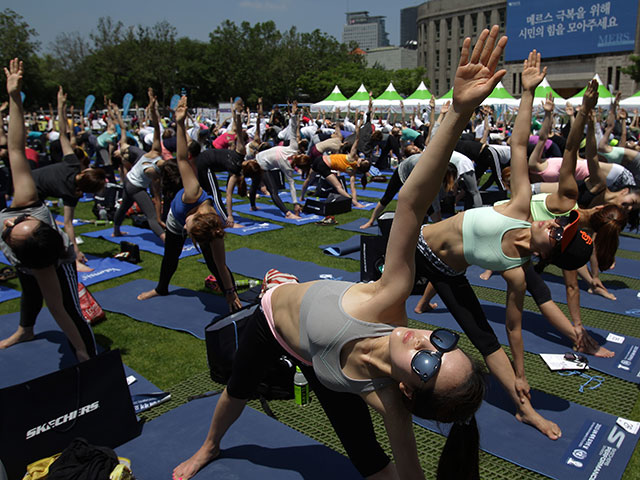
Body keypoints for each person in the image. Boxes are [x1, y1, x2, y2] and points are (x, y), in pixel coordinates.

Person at [172, 26, 509, 480]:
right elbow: (410, 202)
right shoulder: (389, 297)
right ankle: (210, 447)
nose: (425, 340)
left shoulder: (388, 398)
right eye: (443, 343)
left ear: (409, 393)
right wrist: (458, 112)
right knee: (237, 388)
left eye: (428, 363)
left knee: (369, 458)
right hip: (272, 319)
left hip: (320, 364)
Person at [414, 51, 598, 440]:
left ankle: (525, 411)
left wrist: (519, 374)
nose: (552, 224)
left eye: (556, 234)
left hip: (446, 272)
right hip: (412, 246)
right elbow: (517, 146)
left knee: (485, 338)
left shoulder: (516, 274)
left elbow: (512, 329)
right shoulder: (519, 207)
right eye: (559, 224)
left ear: (546, 255)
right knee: (380, 306)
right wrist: (527, 93)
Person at [0, 58, 96, 361]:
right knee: (29, 294)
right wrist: (15, 96)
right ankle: (25, 329)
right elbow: (16, 147)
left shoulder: (42, 266)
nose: (15, 221)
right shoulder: (27, 204)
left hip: (58, 259)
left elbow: (56, 310)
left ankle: (88, 349)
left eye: (15, 227)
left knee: (69, 307)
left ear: (14, 247)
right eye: (24, 221)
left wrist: (79, 351)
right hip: (41, 251)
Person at [137, 97, 240, 311]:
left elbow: (221, 265)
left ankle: (232, 299)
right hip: (174, 217)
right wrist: (180, 123)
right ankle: (161, 288)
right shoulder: (193, 192)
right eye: (190, 228)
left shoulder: (214, 229)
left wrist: (230, 294)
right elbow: (182, 159)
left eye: (189, 231)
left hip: (196, 224)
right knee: (170, 257)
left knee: (213, 262)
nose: (187, 228)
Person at [31, 87, 107, 273]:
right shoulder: (72, 191)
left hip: (31, 185)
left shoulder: (73, 166)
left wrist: (60, 107)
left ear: (84, 173)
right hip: (32, 190)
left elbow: (63, 135)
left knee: (47, 229)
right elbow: (67, 224)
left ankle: (70, 258)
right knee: (45, 230)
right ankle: (69, 260)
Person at [112, 89, 166, 241]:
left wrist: (153, 107)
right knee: (151, 216)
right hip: (134, 185)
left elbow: (156, 126)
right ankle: (165, 240)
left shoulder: (155, 151)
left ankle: (116, 230)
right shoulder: (154, 174)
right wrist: (158, 218)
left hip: (129, 181)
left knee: (124, 207)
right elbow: (156, 197)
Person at [300, 112, 370, 208]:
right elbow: (353, 189)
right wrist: (356, 202)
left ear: (359, 165)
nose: (362, 158)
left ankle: (301, 197)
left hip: (320, 160)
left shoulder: (351, 159)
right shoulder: (352, 170)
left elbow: (357, 140)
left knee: (309, 180)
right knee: (338, 187)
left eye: (362, 160)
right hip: (322, 163)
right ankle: (354, 203)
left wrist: (358, 130)